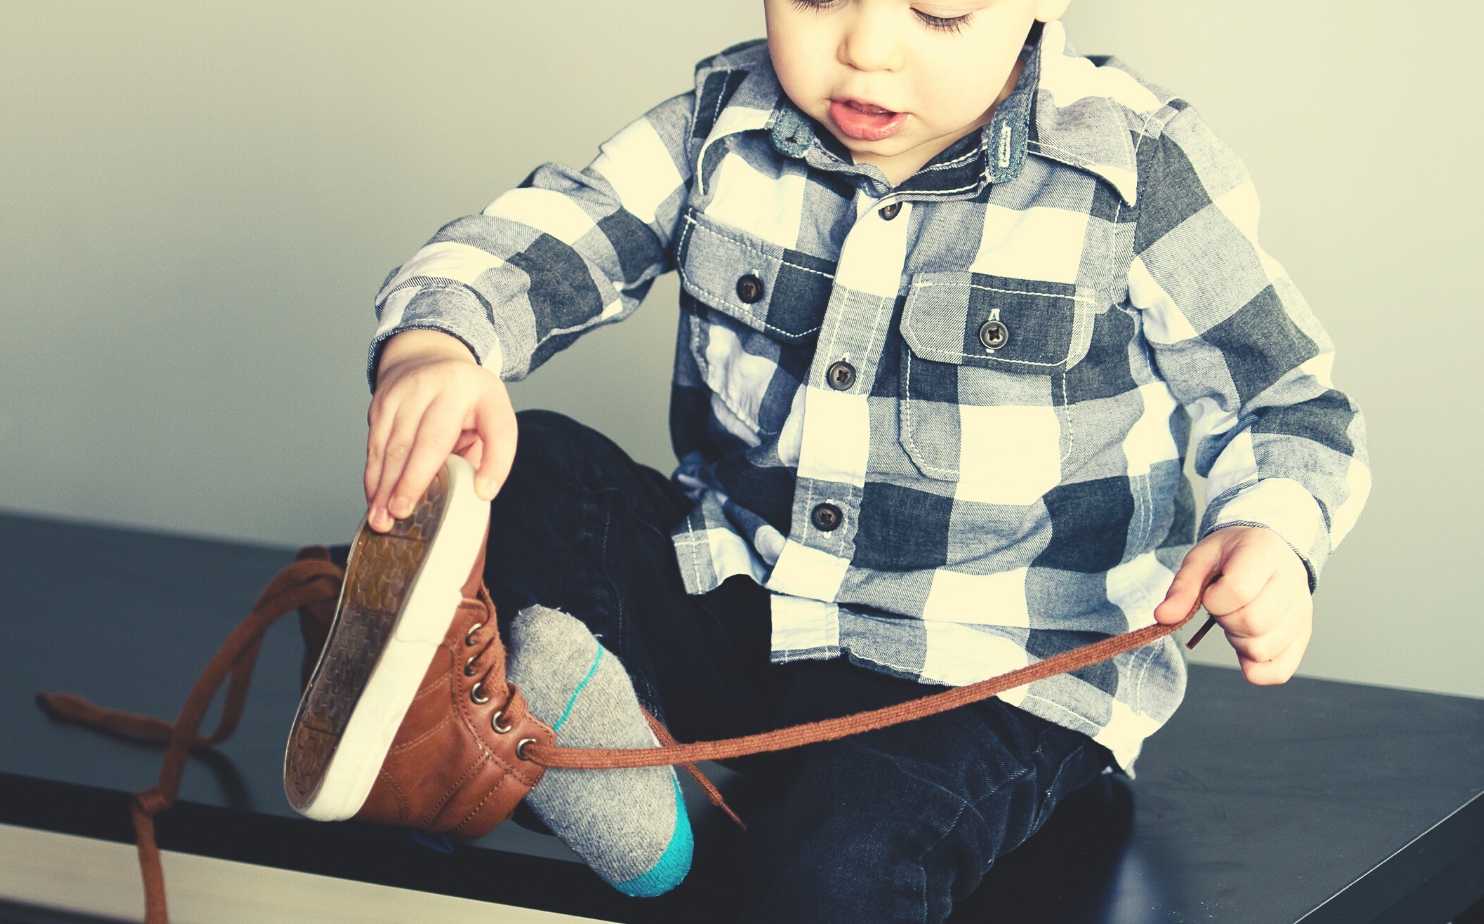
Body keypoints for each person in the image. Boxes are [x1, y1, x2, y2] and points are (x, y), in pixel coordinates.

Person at [292, 1, 1372, 920]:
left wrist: (1267, 529)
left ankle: (659, 812)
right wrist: (440, 341)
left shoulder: (1134, 169)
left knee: (840, 867)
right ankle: (555, 756)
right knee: (516, 474)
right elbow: (556, 230)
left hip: (983, 680)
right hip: (741, 600)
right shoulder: (724, 123)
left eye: (937, 12)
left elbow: (1287, 402)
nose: (864, 49)